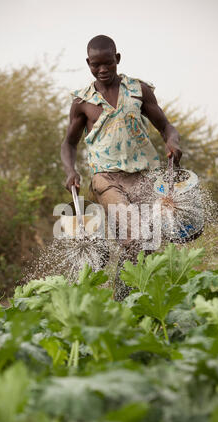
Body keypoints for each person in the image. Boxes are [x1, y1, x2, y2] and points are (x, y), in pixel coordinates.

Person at [61, 34, 182, 266]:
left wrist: (173, 142)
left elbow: (166, 127)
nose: (103, 69)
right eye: (96, 65)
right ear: (88, 64)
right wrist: (70, 171)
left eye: (109, 62)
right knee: (134, 234)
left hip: (144, 177)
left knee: (148, 243)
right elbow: (68, 143)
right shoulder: (83, 102)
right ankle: (126, 295)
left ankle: (126, 296)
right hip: (106, 179)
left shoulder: (139, 90)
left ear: (117, 58)